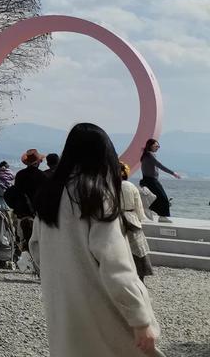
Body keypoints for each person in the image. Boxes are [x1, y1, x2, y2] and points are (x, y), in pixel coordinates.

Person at [31, 123, 161, 357]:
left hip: (63, 312)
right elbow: (116, 267)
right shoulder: (94, 195)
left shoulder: (50, 195)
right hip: (101, 314)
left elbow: (36, 248)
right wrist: (140, 320)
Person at [8, 148, 49, 266]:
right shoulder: (42, 176)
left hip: (21, 211)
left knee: (20, 237)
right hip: (37, 213)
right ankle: (37, 262)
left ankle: (19, 258)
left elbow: (16, 192)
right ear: (37, 162)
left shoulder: (20, 175)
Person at [119, 161, 154, 282]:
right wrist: (140, 218)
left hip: (117, 219)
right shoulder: (131, 186)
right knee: (139, 248)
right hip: (132, 218)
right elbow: (138, 205)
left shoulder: (111, 185)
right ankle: (141, 276)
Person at [139, 138, 181, 222]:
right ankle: (162, 216)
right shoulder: (150, 154)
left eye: (159, 146)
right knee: (163, 197)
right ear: (150, 146)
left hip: (147, 180)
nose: (158, 147)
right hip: (151, 181)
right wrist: (173, 173)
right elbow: (160, 165)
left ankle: (150, 209)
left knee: (158, 198)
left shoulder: (145, 155)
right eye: (156, 146)